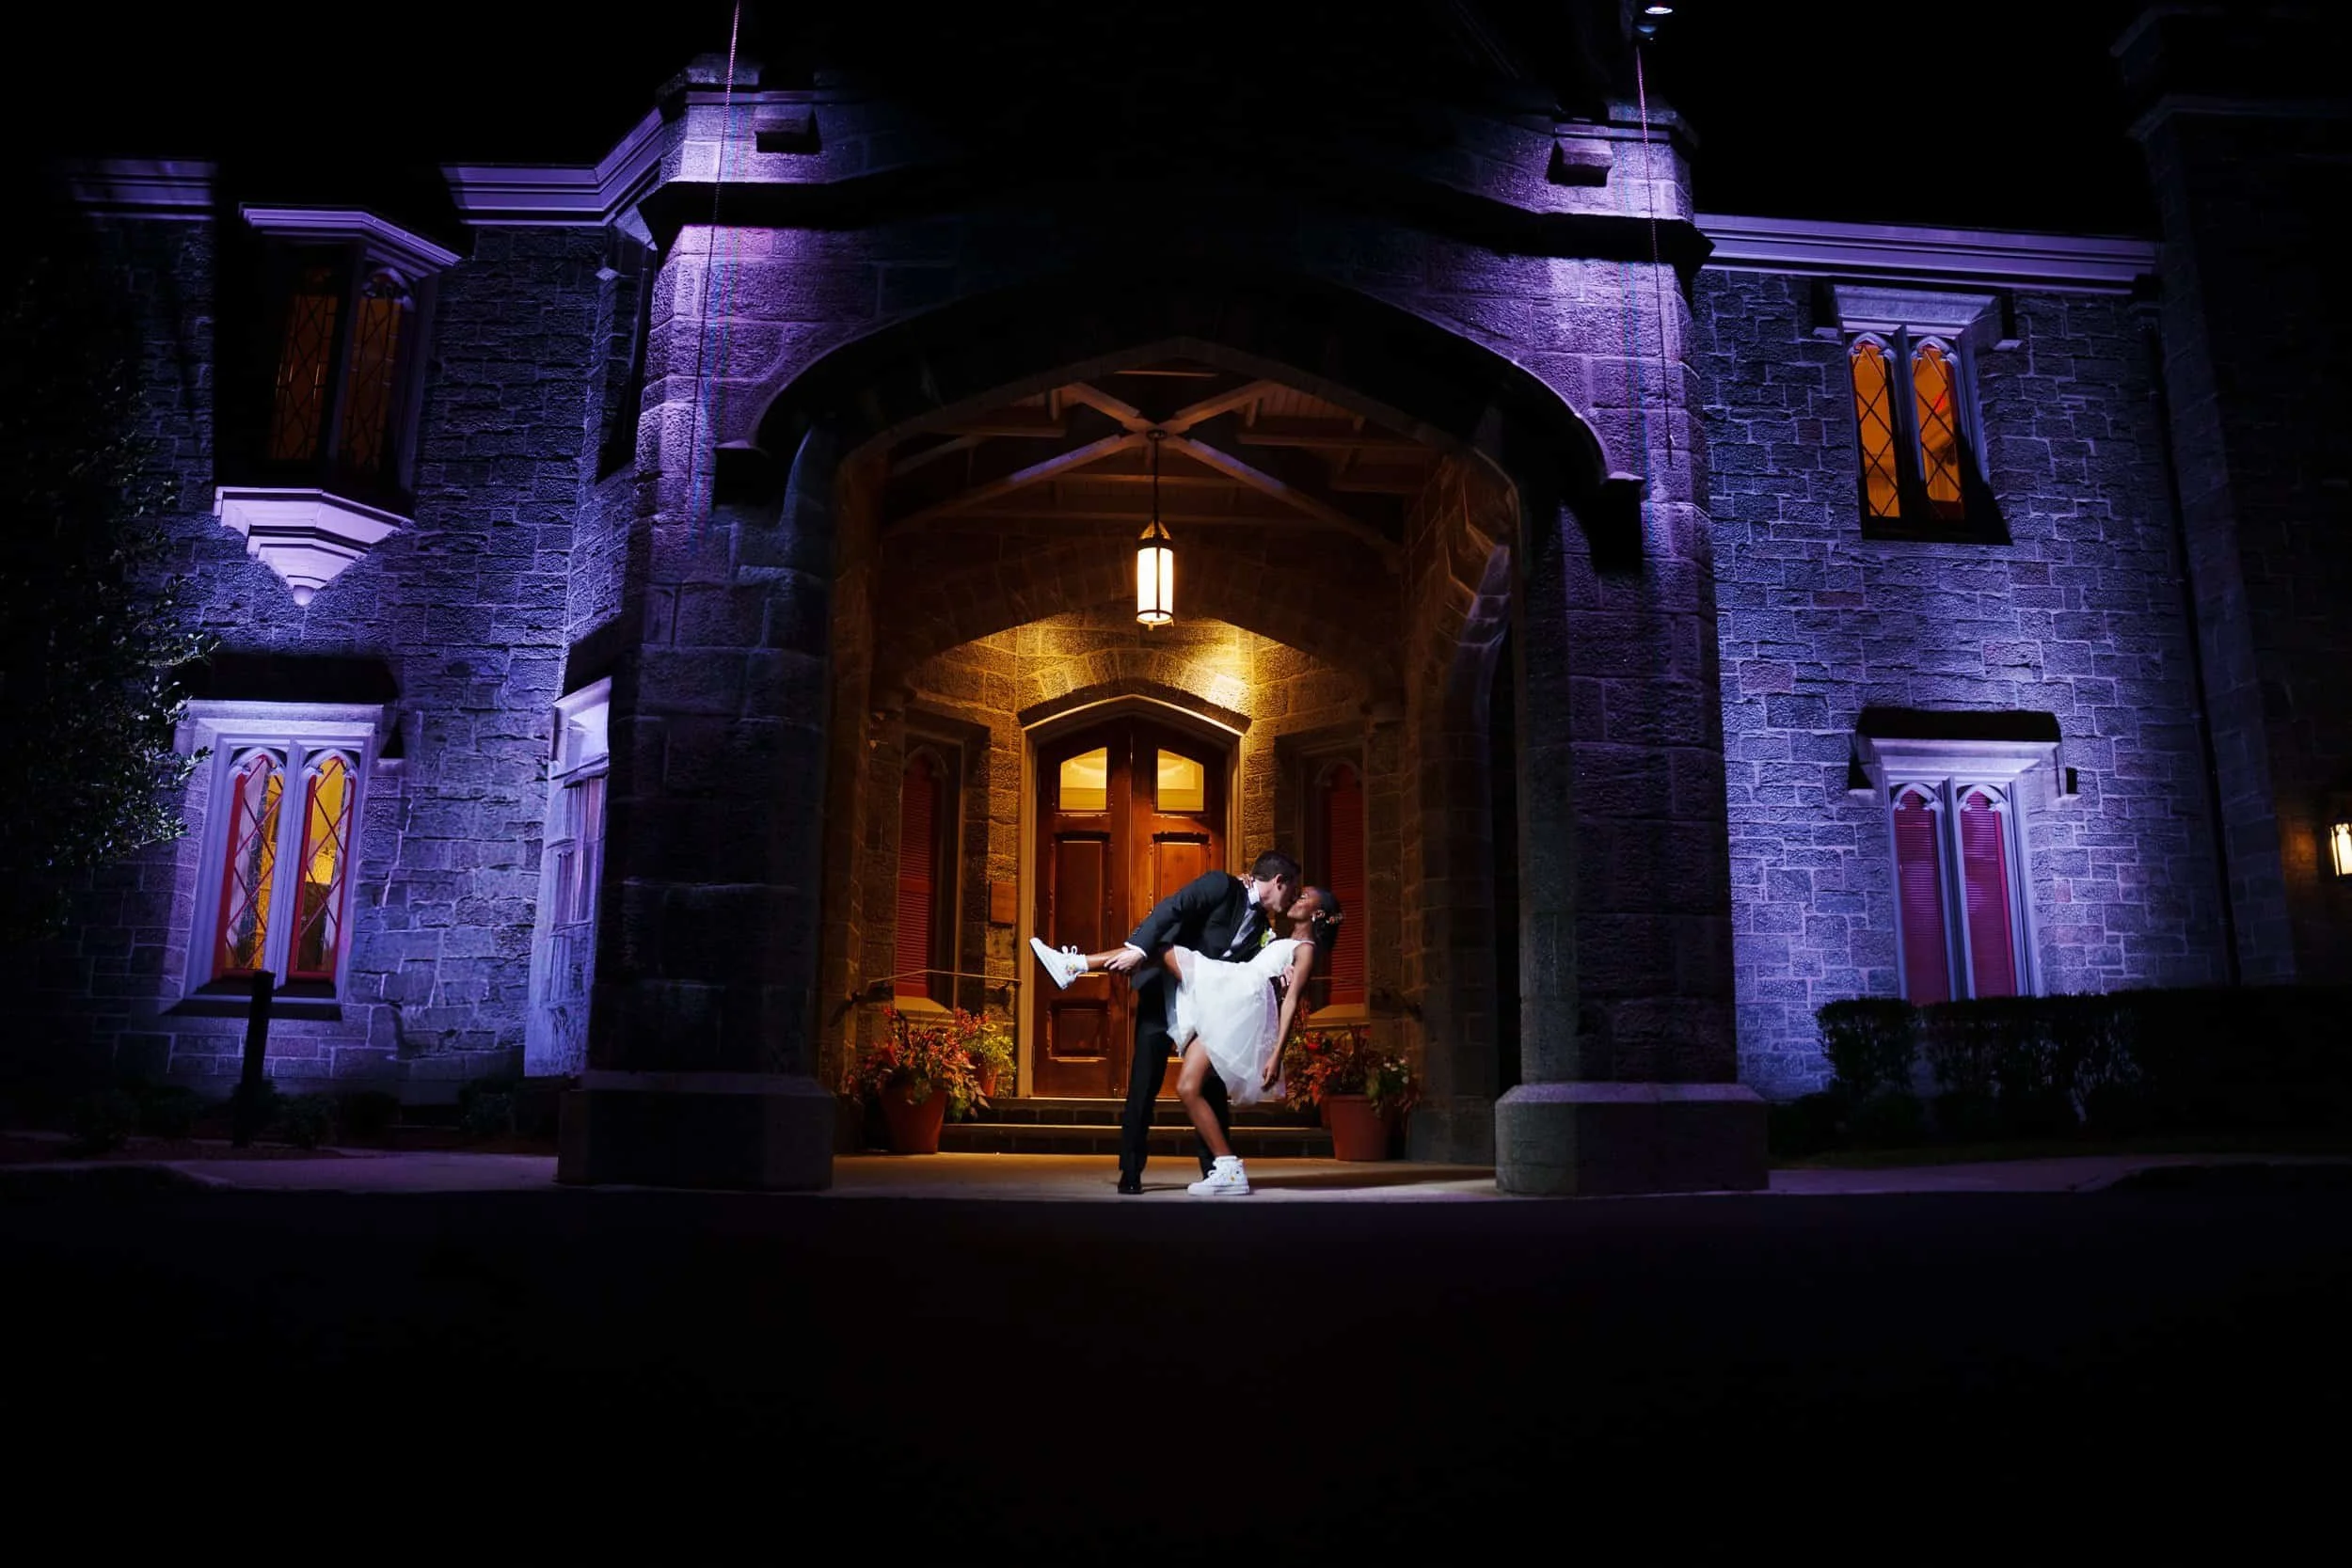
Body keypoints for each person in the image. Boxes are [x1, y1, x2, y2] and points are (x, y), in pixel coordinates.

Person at [1030, 850, 1299, 1194]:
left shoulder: (1263, 928)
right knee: (1145, 1082)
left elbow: (1254, 969)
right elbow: (1172, 908)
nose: (1293, 899)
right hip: (1164, 992)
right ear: (1279, 882)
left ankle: (1217, 1170)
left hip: (1207, 1006)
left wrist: (1284, 965)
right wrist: (1138, 950)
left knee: (1210, 1087)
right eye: (1293, 890)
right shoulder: (1221, 885)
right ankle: (1130, 1173)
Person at [1157, 885, 1342, 1196]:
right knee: (1187, 1087)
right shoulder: (1282, 940)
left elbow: (1291, 1001)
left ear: (1318, 913)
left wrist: (1276, 1053)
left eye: (1305, 897)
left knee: (1159, 948)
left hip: (1238, 1008)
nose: (1296, 898)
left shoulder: (1307, 947)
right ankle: (1227, 1166)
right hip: (1228, 998)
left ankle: (1079, 965)